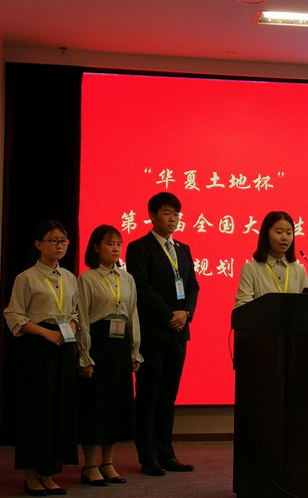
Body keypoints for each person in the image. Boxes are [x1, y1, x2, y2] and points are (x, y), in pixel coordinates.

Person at [125, 192, 200, 477]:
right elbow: (142, 288)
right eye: (167, 213)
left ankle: (167, 454)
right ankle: (148, 457)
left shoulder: (183, 248)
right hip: (154, 332)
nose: (173, 219)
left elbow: (192, 286)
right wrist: (168, 316)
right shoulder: (139, 248)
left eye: (176, 214)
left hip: (179, 332)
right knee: (149, 395)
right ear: (152, 216)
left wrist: (186, 314)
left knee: (169, 395)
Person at [3, 220, 79, 496]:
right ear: (38, 244)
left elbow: (74, 311)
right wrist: (45, 333)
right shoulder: (26, 278)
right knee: (35, 410)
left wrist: (72, 328)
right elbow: (14, 314)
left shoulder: (69, 277)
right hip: (36, 346)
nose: (59, 246)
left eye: (63, 241)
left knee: (57, 409)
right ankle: (30, 475)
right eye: (53, 240)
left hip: (62, 345)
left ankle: (48, 473)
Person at [76, 225, 143, 486]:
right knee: (94, 404)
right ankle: (90, 465)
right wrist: (84, 354)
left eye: (118, 243)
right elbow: (82, 318)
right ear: (96, 247)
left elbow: (132, 314)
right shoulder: (87, 278)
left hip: (119, 345)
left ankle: (108, 462)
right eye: (109, 243)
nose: (115, 248)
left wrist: (134, 350)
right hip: (98, 344)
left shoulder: (127, 278)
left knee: (115, 404)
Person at [233, 211, 308, 309]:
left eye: (289, 233)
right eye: (279, 232)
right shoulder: (250, 269)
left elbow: (307, 306)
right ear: (266, 234)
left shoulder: (299, 270)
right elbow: (242, 307)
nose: (285, 237)